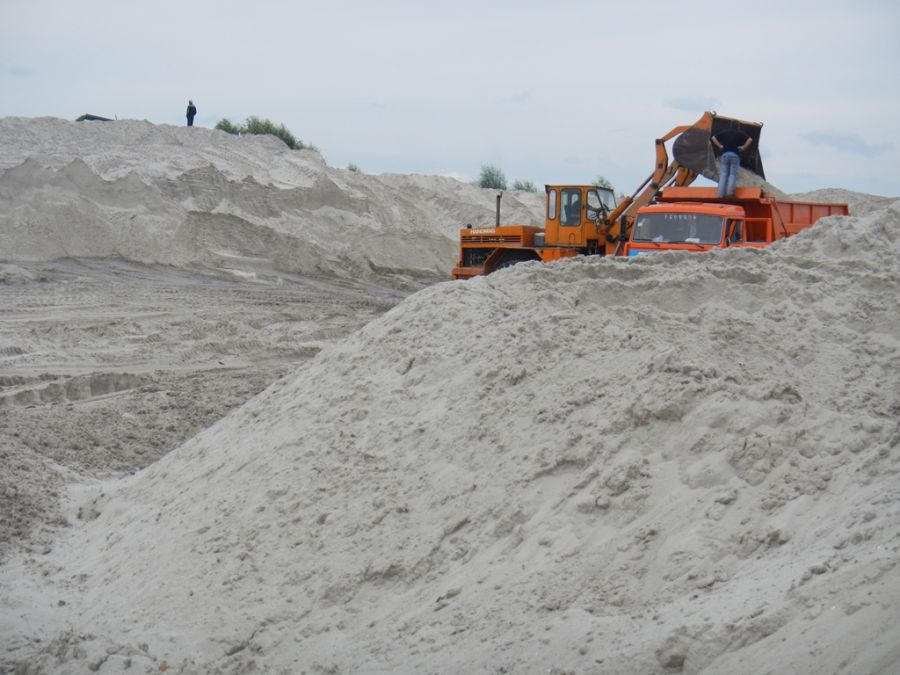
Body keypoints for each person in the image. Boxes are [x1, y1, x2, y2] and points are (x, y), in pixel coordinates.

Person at [711, 127, 752, 198]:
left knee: (723, 174)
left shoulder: (725, 132)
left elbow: (713, 138)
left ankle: (720, 194)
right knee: (732, 175)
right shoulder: (739, 133)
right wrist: (743, 147)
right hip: (735, 156)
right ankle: (729, 193)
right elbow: (750, 139)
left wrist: (720, 146)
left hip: (725, 155)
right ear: (738, 126)